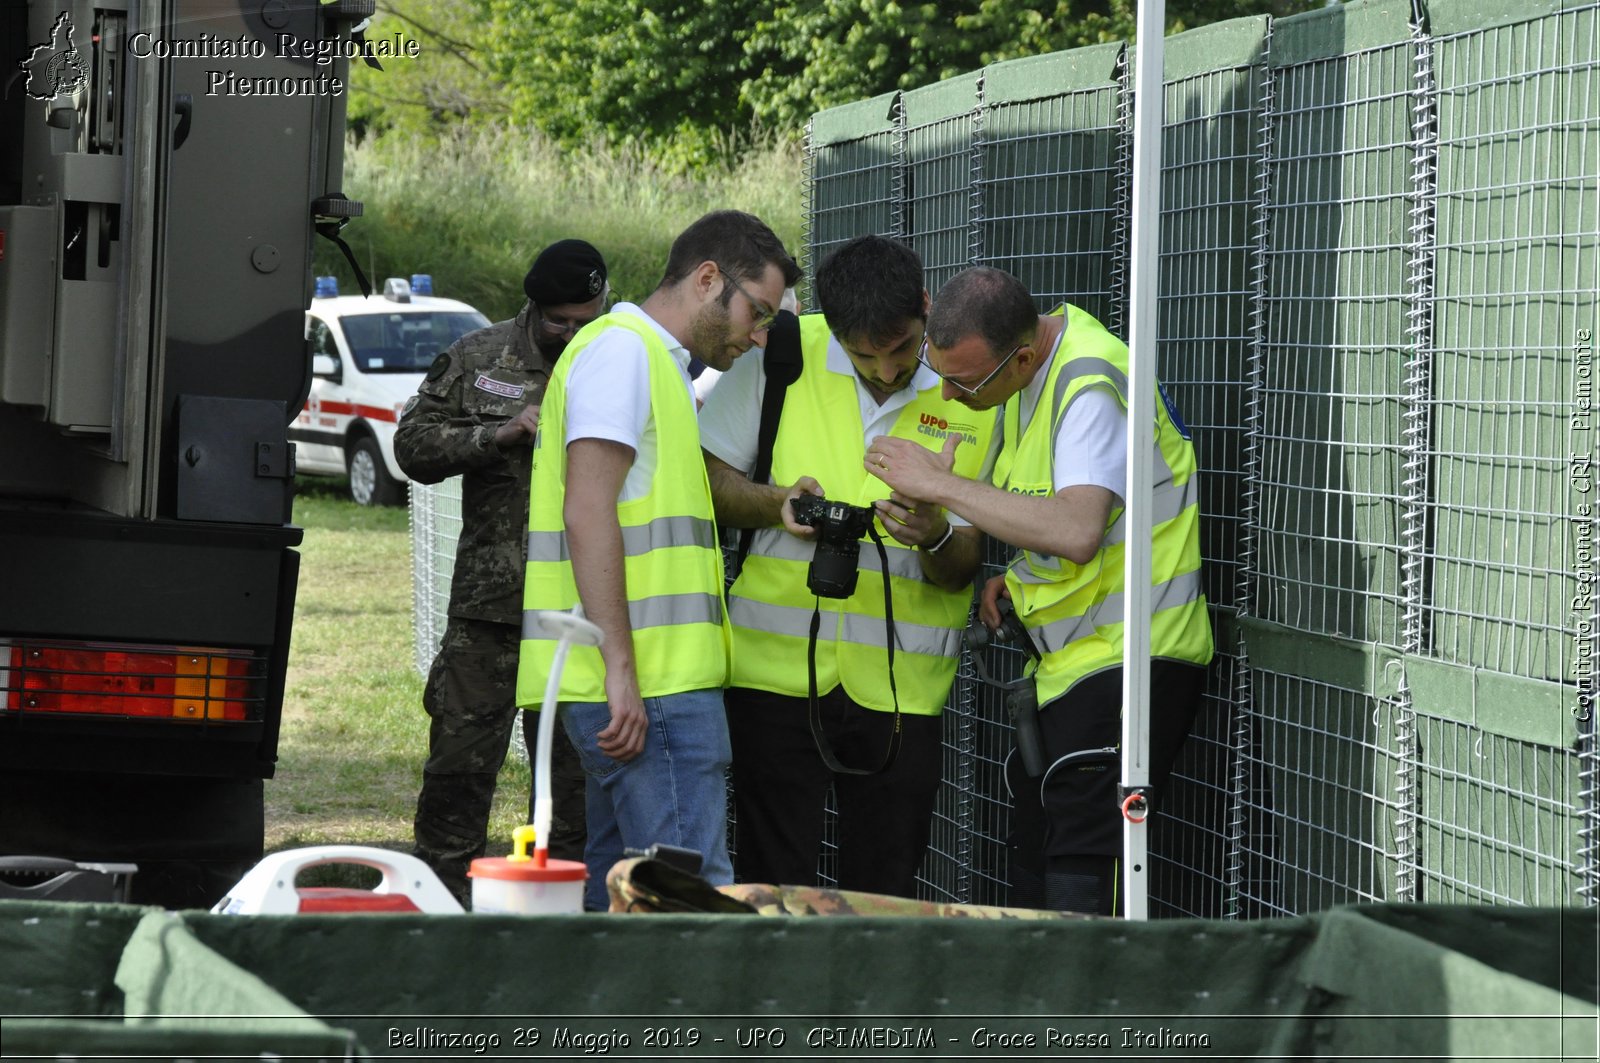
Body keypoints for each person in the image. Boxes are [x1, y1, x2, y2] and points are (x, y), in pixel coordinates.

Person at [863, 266, 1213, 916]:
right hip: (1073, 668)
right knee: (1034, 864)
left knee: (1083, 878)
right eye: (939, 373)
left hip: (1129, 660)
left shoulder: (1088, 384)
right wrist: (1017, 579)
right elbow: (1065, 519)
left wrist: (942, 487)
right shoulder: (1024, 378)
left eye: (962, 381)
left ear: (1020, 357)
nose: (948, 393)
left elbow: (1078, 528)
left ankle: (1086, 1019)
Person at [516, 210, 802, 911]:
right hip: (648, 689)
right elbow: (587, 509)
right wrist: (622, 668)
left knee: (623, 891)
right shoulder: (624, 355)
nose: (759, 335)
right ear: (709, 279)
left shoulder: (648, 361)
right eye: (757, 312)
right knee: (687, 897)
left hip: (638, 684)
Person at [699, 235, 994, 897]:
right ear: (831, 330)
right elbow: (706, 481)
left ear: (925, 306)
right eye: (866, 356)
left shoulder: (968, 383)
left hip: (902, 690)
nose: (889, 371)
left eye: (903, 348)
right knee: (773, 883)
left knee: (884, 889)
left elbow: (962, 565)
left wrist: (936, 531)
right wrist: (776, 503)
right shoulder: (779, 359)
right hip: (771, 679)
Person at [395, 239, 607, 904]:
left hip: (576, 612)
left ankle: (562, 908)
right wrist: (497, 435)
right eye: (557, 322)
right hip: (491, 606)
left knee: (575, 779)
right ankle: (439, 901)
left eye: (584, 318)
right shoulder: (480, 356)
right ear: (533, 307)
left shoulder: (622, 361)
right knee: (459, 766)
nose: (571, 333)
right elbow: (413, 445)